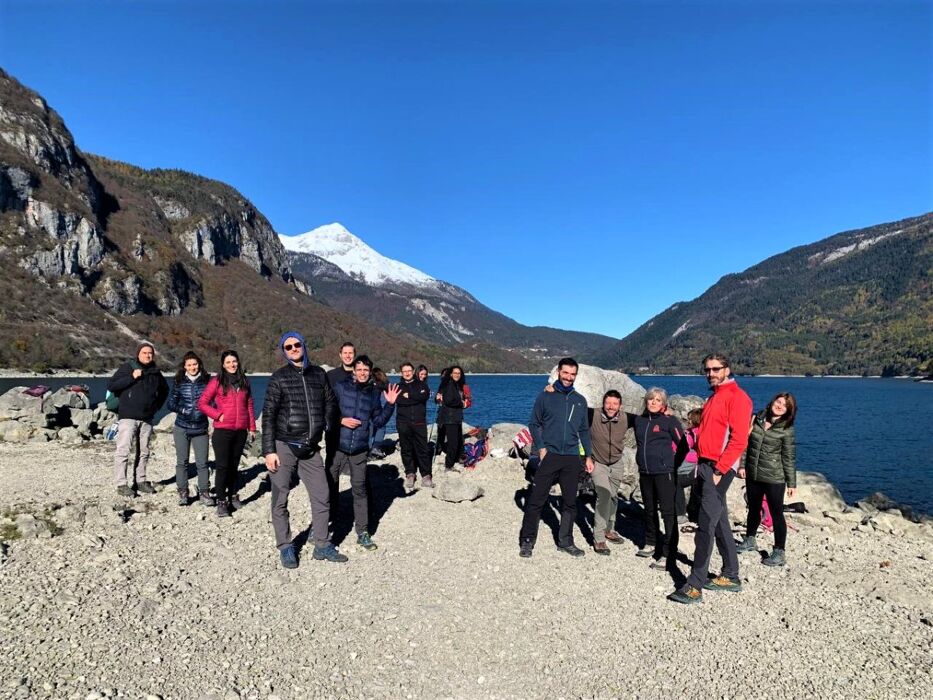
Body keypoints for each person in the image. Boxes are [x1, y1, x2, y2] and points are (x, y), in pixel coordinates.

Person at [668, 353, 753, 604]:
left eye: (716, 369)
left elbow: (739, 440)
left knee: (705, 524)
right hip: (706, 465)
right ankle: (731, 574)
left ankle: (694, 586)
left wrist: (719, 470)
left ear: (727, 369)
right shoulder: (715, 397)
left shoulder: (738, 398)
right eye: (707, 369)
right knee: (719, 521)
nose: (711, 373)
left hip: (718, 468)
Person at [263, 331, 346, 568]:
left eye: (296, 344)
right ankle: (285, 546)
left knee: (322, 496)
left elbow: (330, 402)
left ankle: (322, 544)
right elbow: (268, 414)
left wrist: (327, 422)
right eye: (288, 347)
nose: (293, 349)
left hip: (311, 447)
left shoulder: (319, 374)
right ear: (284, 351)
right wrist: (269, 450)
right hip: (284, 445)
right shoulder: (279, 377)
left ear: (303, 345)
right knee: (280, 498)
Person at [518, 358, 594, 558]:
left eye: (572, 374)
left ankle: (565, 541)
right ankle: (527, 541)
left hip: (571, 457)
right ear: (559, 372)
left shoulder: (580, 400)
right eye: (565, 373)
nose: (568, 377)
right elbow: (534, 423)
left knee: (570, 502)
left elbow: (584, 431)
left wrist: (588, 456)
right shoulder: (545, 396)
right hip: (550, 455)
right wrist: (541, 447)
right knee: (536, 500)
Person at [330, 355, 400, 550]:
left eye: (366, 370)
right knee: (329, 486)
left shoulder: (373, 393)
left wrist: (390, 404)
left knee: (360, 490)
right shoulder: (341, 388)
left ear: (370, 372)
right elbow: (328, 411)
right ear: (354, 370)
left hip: (360, 449)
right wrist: (340, 420)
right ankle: (324, 525)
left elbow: (378, 421)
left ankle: (362, 532)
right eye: (359, 369)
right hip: (338, 446)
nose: (362, 373)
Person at [624, 388, 685, 571]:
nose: (653, 402)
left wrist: (673, 464)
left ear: (663, 404)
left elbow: (683, 445)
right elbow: (612, 413)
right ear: (646, 401)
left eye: (658, 400)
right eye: (651, 399)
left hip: (665, 473)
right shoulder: (639, 420)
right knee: (649, 510)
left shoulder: (669, 421)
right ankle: (651, 542)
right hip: (645, 473)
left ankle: (668, 552)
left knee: (667, 512)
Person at [737, 392, 797, 566]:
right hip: (753, 474)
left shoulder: (787, 429)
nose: (780, 406)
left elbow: (788, 457)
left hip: (774, 478)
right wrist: (742, 465)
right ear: (772, 402)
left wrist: (791, 483)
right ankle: (750, 539)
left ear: (788, 411)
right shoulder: (757, 419)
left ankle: (779, 551)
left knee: (776, 513)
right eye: (778, 402)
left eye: (784, 405)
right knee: (753, 508)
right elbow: (746, 444)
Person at [197, 350, 256, 518]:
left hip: (240, 431)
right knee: (222, 466)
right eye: (228, 362)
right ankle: (222, 501)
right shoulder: (217, 381)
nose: (232, 365)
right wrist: (218, 415)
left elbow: (249, 404)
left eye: (234, 361)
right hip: (222, 431)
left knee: (234, 465)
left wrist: (252, 427)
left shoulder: (244, 381)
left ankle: (233, 495)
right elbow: (202, 403)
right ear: (223, 365)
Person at [108, 341, 169, 497]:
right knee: (123, 450)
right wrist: (132, 377)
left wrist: (156, 407)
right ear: (138, 354)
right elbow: (112, 385)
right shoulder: (128, 367)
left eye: (150, 353)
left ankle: (140, 481)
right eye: (144, 353)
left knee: (144, 452)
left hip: (147, 418)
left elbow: (165, 390)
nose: (148, 355)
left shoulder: (155, 372)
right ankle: (121, 484)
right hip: (128, 416)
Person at [167, 351, 213, 507]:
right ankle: (183, 492)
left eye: (195, 364)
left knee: (202, 463)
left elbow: (214, 402)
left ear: (199, 364)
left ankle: (204, 493)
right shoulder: (179, 381)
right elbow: (170, 404)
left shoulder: (207, 381)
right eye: (189, 365)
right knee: (182, 462)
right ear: (185, 367)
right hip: (182, 427)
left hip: (201, 428)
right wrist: (183, 410)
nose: (193, 367)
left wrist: (216, 414)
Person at [589, 390, 629, 555]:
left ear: (620, 405)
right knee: (604, 495)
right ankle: (599, 538)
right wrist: (553, 391)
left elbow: (648, 418)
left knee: (613, 496)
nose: (611, 407)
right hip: (598, 462)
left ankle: (609, 529)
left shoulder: (626, 418)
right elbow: (571, 407)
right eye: (608, 403)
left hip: (617, 463)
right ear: (603, 403)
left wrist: (665, 411)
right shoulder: (592, 414)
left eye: (615, 403)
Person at [396, 361, 433, 490]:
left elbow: (424, 396)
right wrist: (414, 398)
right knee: (406, 449)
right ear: (401, 373)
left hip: (419, 422)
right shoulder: (397, 387)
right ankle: (410, 473)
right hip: (403, 422)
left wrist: (409, 396)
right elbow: (399, 400)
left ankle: (426, 475)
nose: (407, 373)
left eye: (409, 371)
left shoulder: (422, 385)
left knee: (422, 448)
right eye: (404, 371)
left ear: (413, 372)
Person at [325, 342, 356, 469]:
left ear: (354, 355)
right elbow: (325, 402)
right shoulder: (331, 376)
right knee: (332, 464)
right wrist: (339, 420)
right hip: (335, 425)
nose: (348, 356)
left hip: (356, 427)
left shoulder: (361, 374)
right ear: (340, 355)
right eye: (345, 353)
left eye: (350, 353)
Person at [435, 366, 470, 471]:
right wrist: (461, 403)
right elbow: (449, 400)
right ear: (450, 374)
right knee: (453, 442)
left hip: (455, 417)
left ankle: (457, 459)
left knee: (458, 440)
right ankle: (449, 465)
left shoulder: (456, 384)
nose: (457, 375)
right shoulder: (450, 384)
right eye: (455, 373)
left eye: (459, 373)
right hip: (450, 417)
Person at [675, 408, 702, 522]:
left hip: (696, 468)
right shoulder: (689, 432)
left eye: (690, 419)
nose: (688, 421)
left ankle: (681, 513)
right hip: (690, 466)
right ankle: (681, 513)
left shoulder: (698, 433)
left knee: (677, 481)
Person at [368, 367, 389, 459]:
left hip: (365, 408)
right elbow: (389, 389)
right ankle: (375, 447)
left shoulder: (367, 381)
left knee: (369, 429)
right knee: (381, 426)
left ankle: (368, 450)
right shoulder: (381, 383)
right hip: (376, 408)